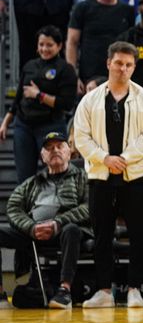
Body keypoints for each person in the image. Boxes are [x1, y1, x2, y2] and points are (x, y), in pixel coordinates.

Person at [73, 41, 143, 308]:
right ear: (108, 63)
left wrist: (124, 158)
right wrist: (105, 158)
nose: (123, 68)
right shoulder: (90, 100)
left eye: (128, 64)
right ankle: (103, 291)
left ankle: (135, 289)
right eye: (118, 63)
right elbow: (81, 137)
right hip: (100, 174)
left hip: (134, 174)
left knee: (137, 233)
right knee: (102, 233)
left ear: (134, 67)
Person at [0, 131, 90, 309]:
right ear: (42, 156)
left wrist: (58, 222)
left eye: (59, 146)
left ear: (69, 151)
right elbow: (13, 208)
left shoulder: (83, 177)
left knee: (71, 229)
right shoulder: (32, 182)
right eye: (49, 148)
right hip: (33, 233)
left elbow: (89, 207)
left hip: (65, 231)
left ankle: (64, 291)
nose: (54, 150)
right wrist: (31, 227)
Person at [0, 26, 77, 183]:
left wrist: (39, 95)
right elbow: (19, 97)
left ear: (60, 46)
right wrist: (6, 122)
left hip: (50, 126)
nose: (44, 49)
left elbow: (67, 103)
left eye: (49, 45)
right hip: (24, 126)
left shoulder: (66, 69)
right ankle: (28, 207)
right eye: (41, 44)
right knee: (24, 176)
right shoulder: (29, 65)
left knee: (56, 173)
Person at [66, 0, 136, 93]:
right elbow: (72, 42)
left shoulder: (128, 11)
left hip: (119, 74)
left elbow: (131, 45)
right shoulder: (83, 8)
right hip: (88, 76)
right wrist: (72, 75)